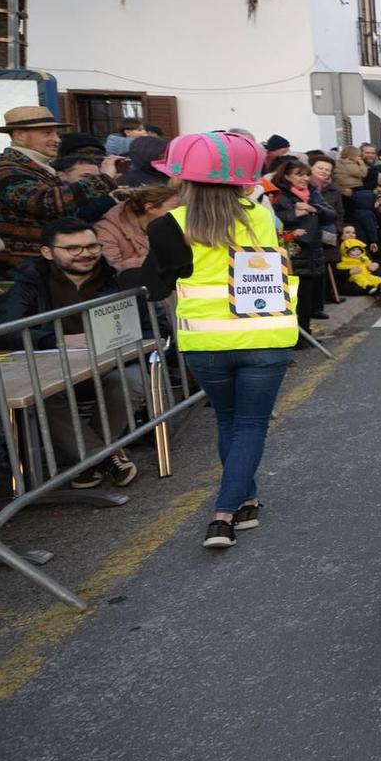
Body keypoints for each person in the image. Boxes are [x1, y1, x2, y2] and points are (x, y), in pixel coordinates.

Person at [132, 132, 298, 550]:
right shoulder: (260, 215)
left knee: (229, 421)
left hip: (205, 344)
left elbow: (155, 285)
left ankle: (242, 502)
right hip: (265, 335)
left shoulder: (167, 225)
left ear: (181, 179)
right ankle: (227, 511)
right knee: (250, 424)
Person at [0, 218, 148, 486]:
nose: (85, 253)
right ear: (48, 252)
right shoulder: (31, 281)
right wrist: (57, 339)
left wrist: (120, 344)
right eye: (73, 249)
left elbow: (153, 327)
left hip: (112, 365)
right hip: (51, 368)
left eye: (92, 246)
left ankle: (88, 461)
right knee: (44, 393)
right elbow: (6, 328)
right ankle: (102, 457)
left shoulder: (118, 279)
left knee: (132, 381)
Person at [0, 106, 118, 280]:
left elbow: (65, 211)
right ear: (20, 135)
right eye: (47, 133)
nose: (57, 139)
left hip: (42, 266)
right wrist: (104, 178)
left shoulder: (40, 168)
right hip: (18, 270)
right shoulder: (6, 168)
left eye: (56, 133)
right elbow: (45, 202)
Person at [267, 157, 329, 329]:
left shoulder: (313, 192)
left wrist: (313, 208)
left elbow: (331, 214)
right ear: (287, 177)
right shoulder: (278, 194)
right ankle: (296, 335)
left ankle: (305, 331)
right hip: (293, 249)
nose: (304, 179)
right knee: (295, 295)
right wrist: (295, 214)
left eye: (307, 175)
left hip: (312, 249)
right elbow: (272, 219)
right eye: (299, 175)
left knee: (307, 296)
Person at [94, 183, 178, 269]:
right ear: (150, 208)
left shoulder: (171, 227)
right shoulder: (106, 230)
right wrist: (150, 261)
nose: (181, 212)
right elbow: (111, 271)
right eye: (175, 208)